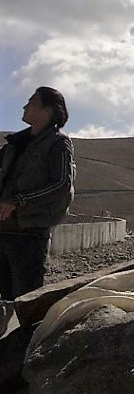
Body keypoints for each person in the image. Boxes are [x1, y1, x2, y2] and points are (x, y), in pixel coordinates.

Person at [0, 87, 75, 311]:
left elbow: (62, 184)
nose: (24, 106)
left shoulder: (58, 143)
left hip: (30, 232)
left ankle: (26, 345)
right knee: (5, 302)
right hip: (4, 229)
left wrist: (19, 200)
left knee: (27, 301)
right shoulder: (14, 145)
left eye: (32, 102)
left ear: (48, 110)